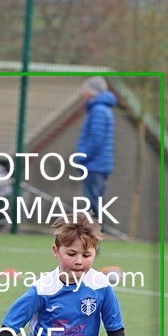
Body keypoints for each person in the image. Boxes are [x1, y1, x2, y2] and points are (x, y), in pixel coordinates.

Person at [74, 77, 117, 226]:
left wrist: (81, 157)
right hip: (99, 164)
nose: (83, 94)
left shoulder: (98, 110)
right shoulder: (102, 109)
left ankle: (93, 240)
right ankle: (92, 240)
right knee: (95, 202)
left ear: (91, 91)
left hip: (94, 165)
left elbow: (95, 139)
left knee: (93, 205)